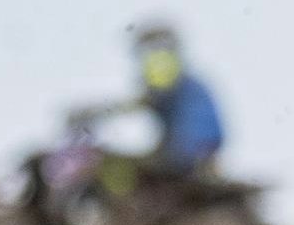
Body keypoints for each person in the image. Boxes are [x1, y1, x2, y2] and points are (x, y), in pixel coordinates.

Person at [76, 19, 227, 177]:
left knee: (114, 169)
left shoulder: (167, 70)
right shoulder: (190, 82)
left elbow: (147, 99)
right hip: (197, 151)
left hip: (184, 152)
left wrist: (97, 112)